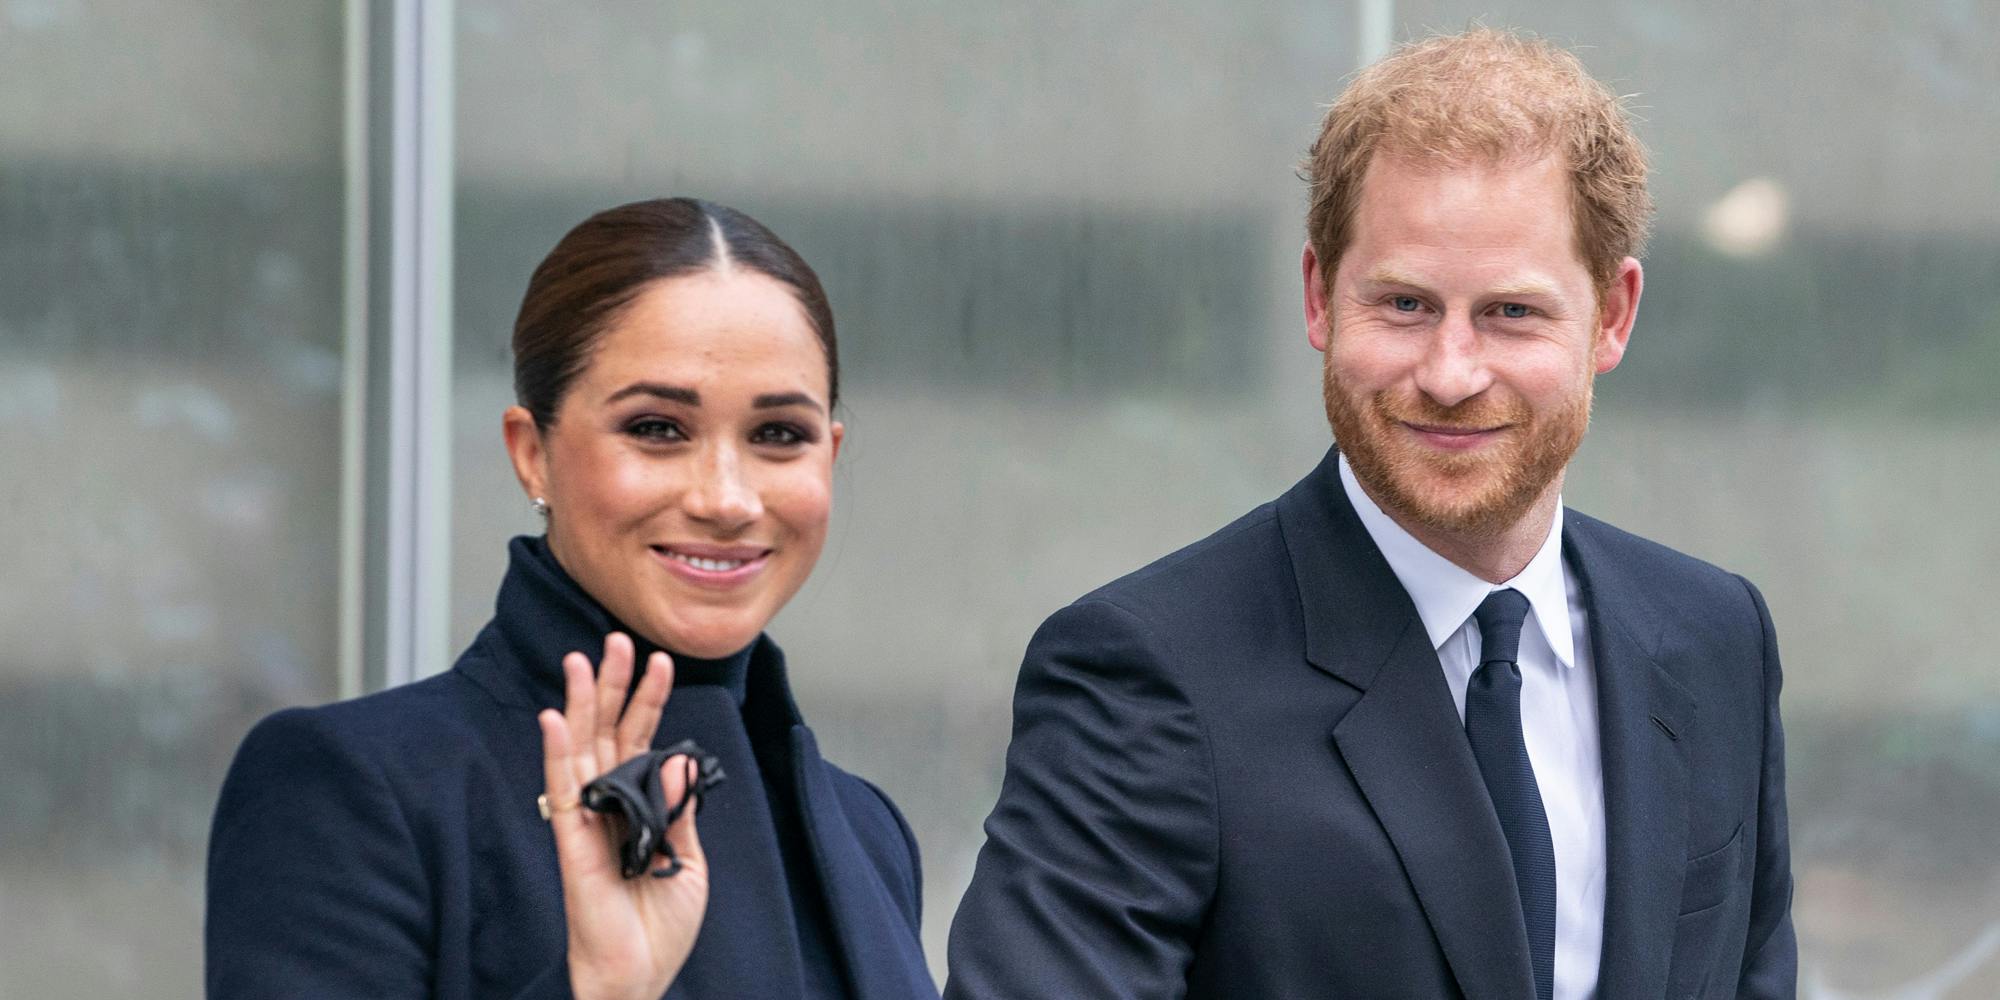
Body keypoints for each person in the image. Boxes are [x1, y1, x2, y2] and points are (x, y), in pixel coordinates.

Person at [946, 29, 1794, 1000]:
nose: (1447, 373)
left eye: (1510, 313)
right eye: (1401, 304)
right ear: (1317, 296)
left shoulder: (1714, 636)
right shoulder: (1144, 672)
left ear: (1611, 317)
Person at [207, 198, 939, 1000]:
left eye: (778, 435)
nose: (728, 498)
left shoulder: (865, 833)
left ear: (829, 456)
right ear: (533, 455)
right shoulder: (352, 790)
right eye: (658, 429)